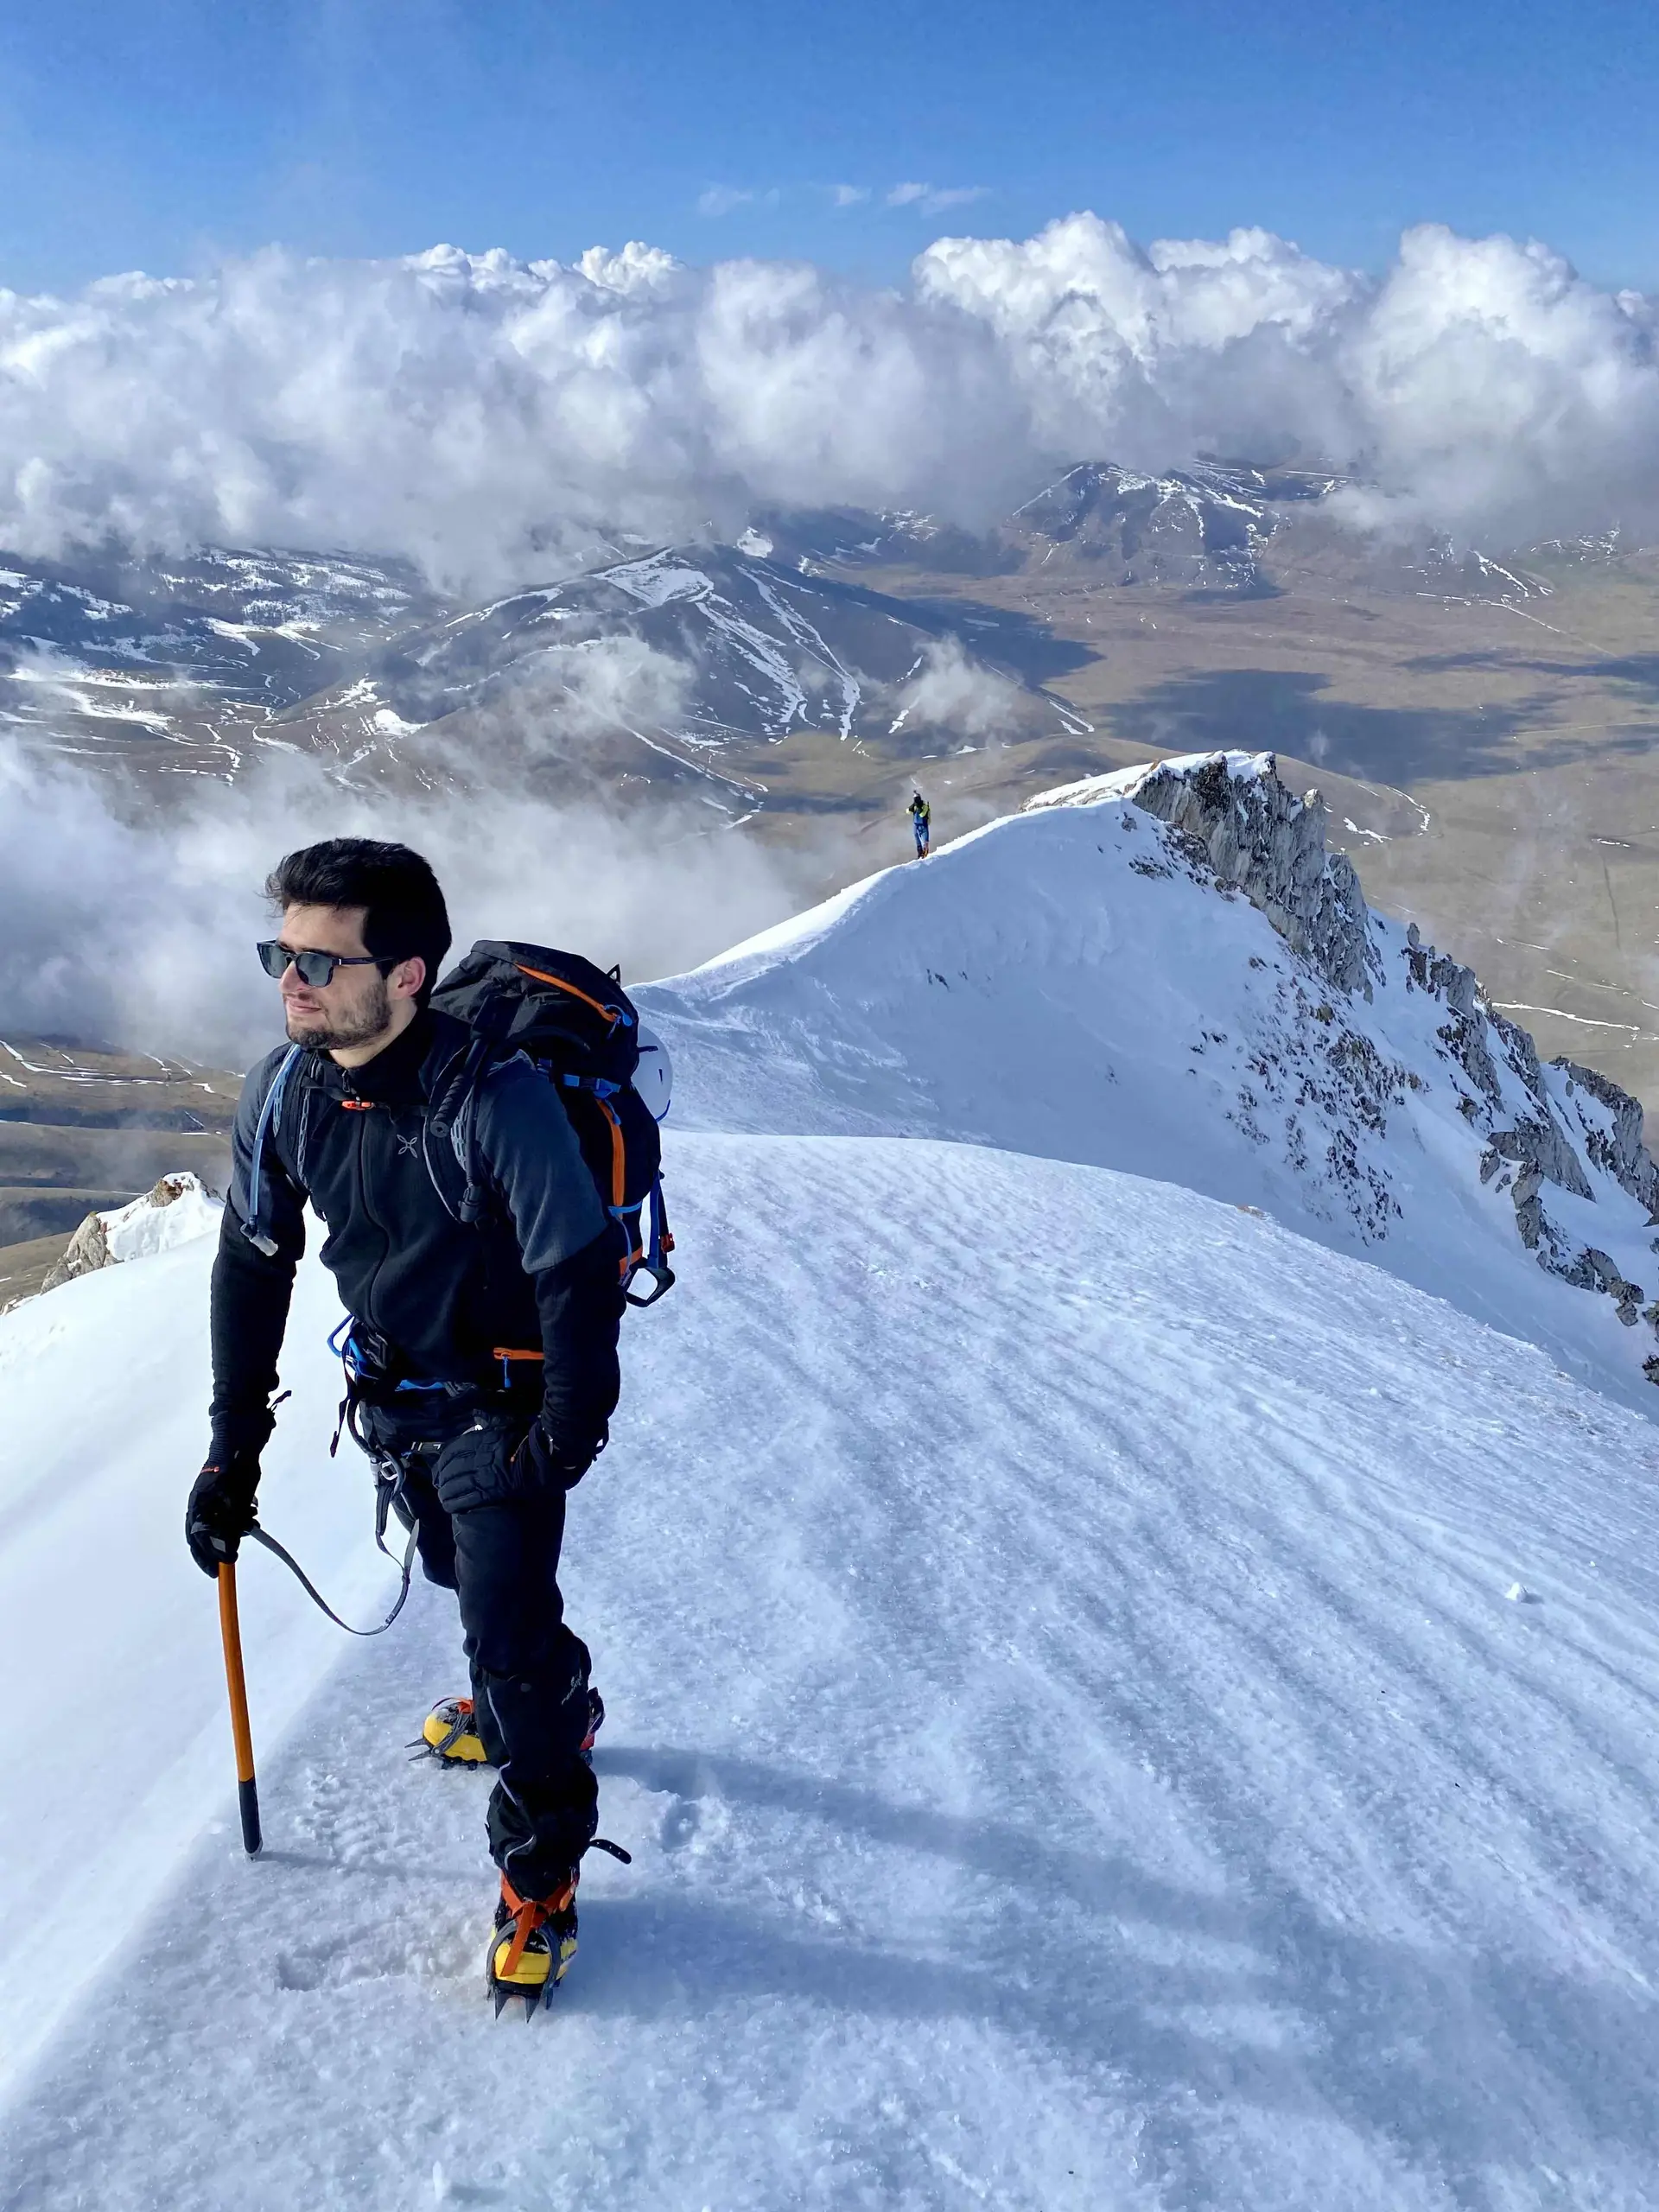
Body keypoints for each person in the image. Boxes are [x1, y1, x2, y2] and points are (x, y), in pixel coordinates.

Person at [186, 838, 626, 2010]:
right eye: (282, 953)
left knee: (507, 1636)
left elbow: (577, 1269)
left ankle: (540, 1872)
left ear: (409, 976)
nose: (292, 981)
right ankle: (549, 1693)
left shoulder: (497, 1100)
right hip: (394, 1397)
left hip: (503, 1409)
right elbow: (251, 1265)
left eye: (321, 961)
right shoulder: (286, 1092)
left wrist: (566, 1431)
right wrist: (232, 1450)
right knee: (453, 1576)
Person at [909, 790, 931, 859]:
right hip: (916, 825)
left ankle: (925, 853)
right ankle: (920, 853)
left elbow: (922, 815)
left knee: (925, 840)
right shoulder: (915, 806)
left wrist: (919, 807)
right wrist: (912, 807)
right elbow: (908, 811)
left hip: (923, 825)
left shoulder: (925, 806)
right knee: (917, 838)